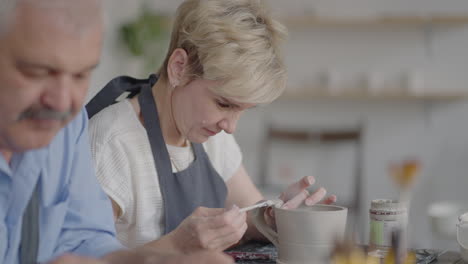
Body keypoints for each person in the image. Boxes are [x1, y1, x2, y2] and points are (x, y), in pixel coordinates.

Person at [87, 0, 337, 255]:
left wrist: (275, 215)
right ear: (179, 68)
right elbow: (83, 260)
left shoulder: (208, 133)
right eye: (224, 103)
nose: (231, 127)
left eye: (243, 110)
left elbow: (250, 213)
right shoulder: (112, 142)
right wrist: (175, 246)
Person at [0, 0, 233, 263]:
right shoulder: (110, 135)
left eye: (80, 75)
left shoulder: (68, 129)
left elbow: (85, 240)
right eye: (38, 72)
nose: (63, 101)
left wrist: (155, 260)